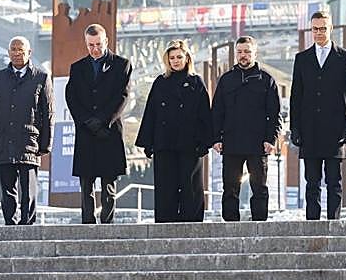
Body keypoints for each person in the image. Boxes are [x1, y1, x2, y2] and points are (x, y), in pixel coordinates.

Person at [289, 10, 346, 220]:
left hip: (335, 131)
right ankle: (312, 224)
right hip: (309, 131)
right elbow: (296, 97)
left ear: (331, 29)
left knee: (334, 181)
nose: (319, 33)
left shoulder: (344, 57)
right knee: (311, 182)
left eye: (323, 29)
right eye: (315, 29)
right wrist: (295, 128)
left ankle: (334, 223)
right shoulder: (302, 59)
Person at [136, 40, 212, 222]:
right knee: (165, 188)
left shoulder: (196, 82)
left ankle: (193, 226)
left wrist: (204, 142)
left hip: (190, 144)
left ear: (187, 58)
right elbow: (151, 113)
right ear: (167, 60)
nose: (176, 61)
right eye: (172, 58)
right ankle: (164, 225)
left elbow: (205, 115)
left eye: (179, 57)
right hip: (164, 143)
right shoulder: (160, 82)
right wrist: (148, 142)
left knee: (191, 187)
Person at [66, 24, 132, 224]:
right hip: (86, 132)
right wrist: (86, 121)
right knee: (86, 183)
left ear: (106, 42)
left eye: (98, 44)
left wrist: (103, 120)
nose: (95, 49)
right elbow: (71, 97)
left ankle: (107, 222)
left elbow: (122, 97)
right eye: (90, 45)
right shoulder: (77, 68)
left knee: (108, 183)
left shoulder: (122, 65)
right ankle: (87, 221)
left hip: (109, 131)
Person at [212, 35, 281, 222]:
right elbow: (217, 111)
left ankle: (259, 226)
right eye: (240, 52)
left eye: (247, 52)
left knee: (259, 188)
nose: (243, 55)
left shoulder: (266, 80)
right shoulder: (226, 80)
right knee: (230, 188)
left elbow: (275, 114)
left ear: (255, 53)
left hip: (258, 144)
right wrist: (216, 138)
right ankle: (230, 227)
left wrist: (271, 139)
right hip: (231, 143)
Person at [0, 36, 52, 225]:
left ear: (29, 53)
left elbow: (48, 113)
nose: (17, 53)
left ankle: (27, 226)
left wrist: (45, 144)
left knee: (29, 191)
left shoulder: (41, 77)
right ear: (8, 52)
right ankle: (10, 226)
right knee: (7, 192)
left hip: (29, 143)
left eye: (21, 50)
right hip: (3, 141)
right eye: (13, 49)